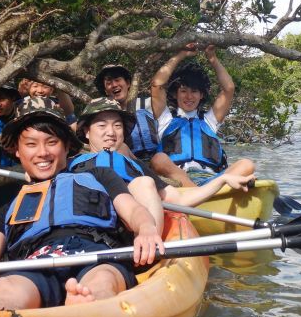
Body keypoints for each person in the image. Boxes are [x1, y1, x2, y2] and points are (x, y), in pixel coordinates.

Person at [0, 97, 165, 313]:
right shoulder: (9, 208)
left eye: (52, 142)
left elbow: (133, 210)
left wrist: (146, 228)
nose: (43, 152)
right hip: (37, 260)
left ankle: (87, 305)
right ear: (17, 150)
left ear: (66, 147)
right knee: (5, 288)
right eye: (31, 144)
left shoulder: (100, 177)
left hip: (97, 254)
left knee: (103, 279)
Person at [68, 97, 255, 228]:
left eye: (117, 126)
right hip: (77, 233)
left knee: (145, 183)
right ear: (86, 131)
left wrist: (222, 180)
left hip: (127, 236)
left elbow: (179, 199)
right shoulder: (69, 165)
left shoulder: (134, 167)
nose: (111, 132)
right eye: (102, 125)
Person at [151, 44, 255, 185]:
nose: (189, 96)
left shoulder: (209, 121)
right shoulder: (165, 120)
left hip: (210, 179)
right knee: (159, 159)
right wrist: (181, 54)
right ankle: (199, 193)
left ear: (201, 95)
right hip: (178, 179)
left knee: (247, 164)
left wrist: (212, 58)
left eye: (194, 91)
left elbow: (229, 88)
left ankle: (198, 194)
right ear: (175, 94)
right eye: (183, 91)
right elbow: (157, 84)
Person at [95, 64, 195, 186]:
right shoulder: (103, 115)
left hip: (158, 159)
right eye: (109, 82)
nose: (114, 85)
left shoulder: (148, 104)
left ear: (128, 83)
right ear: (105, 90)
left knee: (161, 158)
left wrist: (181, 54)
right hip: (129, 161)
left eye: (117, 80)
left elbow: (158, 85)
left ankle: (197, 194)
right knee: (120, 149)